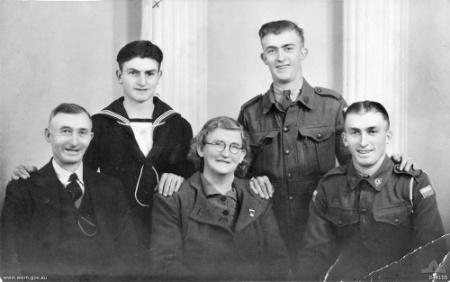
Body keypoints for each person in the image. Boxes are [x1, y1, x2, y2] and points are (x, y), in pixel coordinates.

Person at [237, 19, 415, 265]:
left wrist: (393, 165)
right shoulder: (250, 112)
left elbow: (358, 162)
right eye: (272, 50)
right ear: (263, 57)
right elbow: (235, 176)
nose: (280, 57)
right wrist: (250, 181)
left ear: (303, 52)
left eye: (288, 48)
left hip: (325, 227)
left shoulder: (331, 105)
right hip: (269, 230)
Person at [11, 40, 194, 250]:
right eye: (133, 72)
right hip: (115, 230)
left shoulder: (178, 124)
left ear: (159, 76)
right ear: (119, 75)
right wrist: (34, 175)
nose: (142, 81)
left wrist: (180, 177)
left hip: (166, 230)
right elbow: (75, 172)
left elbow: (194, 181)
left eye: (150, 73)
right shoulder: (100, 123)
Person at [297, 101, 446, 281]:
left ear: (388, 136)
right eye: (354, 132)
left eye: (372, 131)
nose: (363, 142)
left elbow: (432, 254)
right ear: (345, 139)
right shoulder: (329, 187)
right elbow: (314, 256)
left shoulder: (412, 184)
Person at [1, 103, 139, 279]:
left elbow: (130, 256)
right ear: (48, 135)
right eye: (65, 131)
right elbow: (10, 260)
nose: (74, 142)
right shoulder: (23, 189)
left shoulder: (111, 188)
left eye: (82, 133)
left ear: (90, 138)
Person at [150, 116, 289, 281]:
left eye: (234, 146)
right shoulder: (173, 199)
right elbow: (166, 268)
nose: (225, 153)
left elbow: (278, 263)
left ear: (242, 155)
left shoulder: (258, 196)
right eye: (217, 144)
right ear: (201, 149)